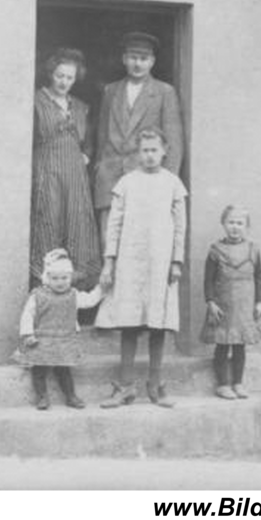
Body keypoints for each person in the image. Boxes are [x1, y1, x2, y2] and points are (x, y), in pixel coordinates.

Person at [95, 129, 187, 408]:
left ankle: (155, 385)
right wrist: (110, 260)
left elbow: (180, 226)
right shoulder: (127, 182)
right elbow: (115, 223)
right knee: (130, 323)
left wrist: (176, 261)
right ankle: (125, 386)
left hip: (160, 262)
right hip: (131, 261)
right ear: (138, 152)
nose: (149, 155)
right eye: (144, 150)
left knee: (157, 323)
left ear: (164, 150)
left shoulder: (173, 183)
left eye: (154, 150)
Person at [93, 31, 184, 248]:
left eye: (143, 59)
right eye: (133, 58)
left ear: (152, 62)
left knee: (140, 239)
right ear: (124, 59)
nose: (138, 64)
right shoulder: (111, 90)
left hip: (145, 175)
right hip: (111, 174)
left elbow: (174, 140)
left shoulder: (164, 92)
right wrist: (100, 167)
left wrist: (167, 182)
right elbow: (102, 134)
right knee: (109, 239)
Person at [30, 48, 101, 289]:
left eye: (69, 78)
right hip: (47, 169)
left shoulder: (81, 106)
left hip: (75, 173)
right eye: (60, 75)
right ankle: (46, 283)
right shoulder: (37, 101)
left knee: (76, 220)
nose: (64, 82)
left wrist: (86, 156)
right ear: (51, 73)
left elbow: (89, 140)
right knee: (50, 218)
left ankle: (76, 287)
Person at [17, 249, 103, 410]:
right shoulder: (38, 295)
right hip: (42, 340)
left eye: (64, 278)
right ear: (47, 278)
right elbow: (27, 315)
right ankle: (42, 397)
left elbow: (90, 301)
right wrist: (28, 334)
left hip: (64, 340)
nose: (60, 282)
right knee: (39, 369)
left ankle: (70, 396)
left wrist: (101, 289)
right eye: (55, 278)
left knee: (63, 369)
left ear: (70, 278)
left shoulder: (73, 295)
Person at [200, 206, 261, 400]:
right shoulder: (216, 250)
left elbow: (259, 278)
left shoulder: (253, 249)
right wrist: (211, 302)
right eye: (231, 222)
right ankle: (223, 384)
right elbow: (208, 280)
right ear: (223, 224)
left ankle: (238, 382)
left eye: (240, 223)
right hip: (223, 304)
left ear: (246, 226)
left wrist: (260, 302)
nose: (235, 227)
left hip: (245, 304)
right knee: (222, 344)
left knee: (240, 346)